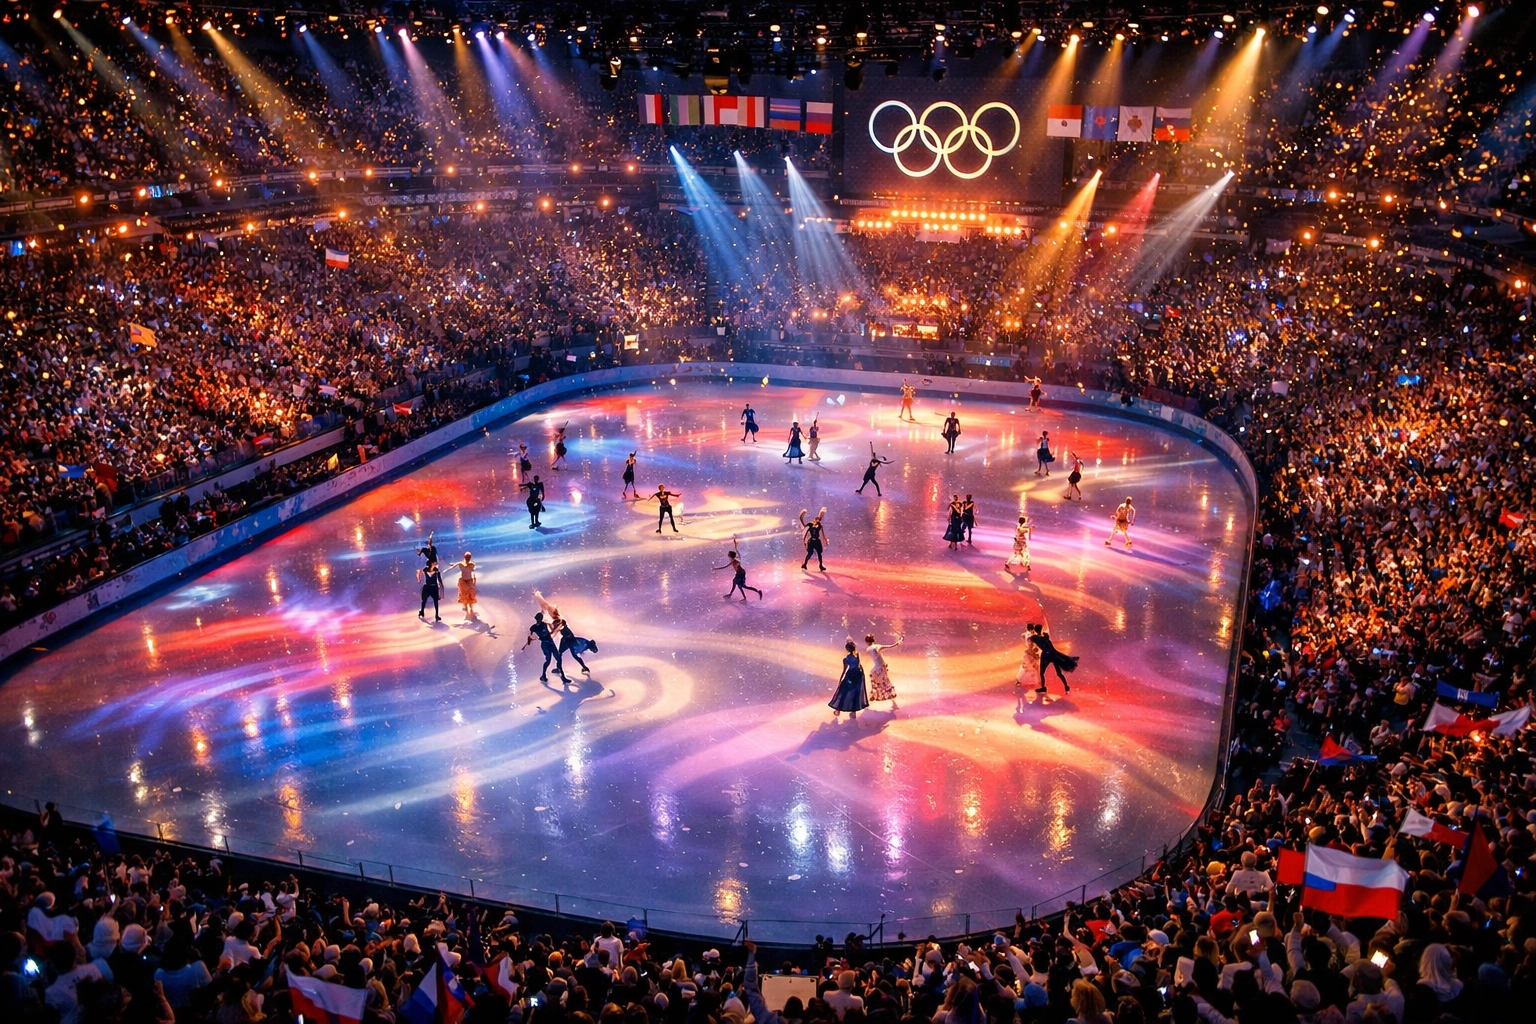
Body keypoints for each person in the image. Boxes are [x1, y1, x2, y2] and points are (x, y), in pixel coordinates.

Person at [1030, 623, 1078, 693]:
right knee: (1059, 673)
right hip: (1053, 654)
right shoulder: (1045, 638)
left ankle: (1043, 687)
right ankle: (1066, 686)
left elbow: (1034, 640)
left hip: (1046, 656)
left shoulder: (1036, 638)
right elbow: (1051, 647)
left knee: (1042, 673)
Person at [828, 639, 868, 723]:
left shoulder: (846, 659)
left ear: (847, 649)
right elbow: (859, 665)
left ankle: (838, 710)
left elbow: (844, 670)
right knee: (855, 693)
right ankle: (853, 712)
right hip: (858, 675)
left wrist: (840, 680)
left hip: (850, 676)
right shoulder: (857, 654)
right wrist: (862, 673)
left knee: (843, 692)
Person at [522, 611, 568, 683]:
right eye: (539, 618)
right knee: (548, 661)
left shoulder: (542, 624)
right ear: (537, 619)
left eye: (540, 618)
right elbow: (530, 636)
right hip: (546, 644)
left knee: (558, 658)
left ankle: (562, 676)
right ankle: (544, 675)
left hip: (550, 643)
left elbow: (548, 630)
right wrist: (533, 639)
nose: (540, 620)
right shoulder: (533, 627)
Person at [865, 633, 902, 708]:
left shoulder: (869, 648)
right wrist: (898, 642)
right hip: (882, 666)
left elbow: (873, 653)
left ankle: (874, 695)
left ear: (868, 642)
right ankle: (880, 696)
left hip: (879, 667)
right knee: (885, 681)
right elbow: (890, 646)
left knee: (879, 681)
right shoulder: (877, 646)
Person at [1016, 627, 1042, 709]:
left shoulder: (1033, 640)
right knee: (1029, 669)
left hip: (1032, 658)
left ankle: (1037, 691)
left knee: (1033, 670)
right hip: (1030, 657)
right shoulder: (1029, 637)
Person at [449, 553, 478, 619]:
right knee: (464, 595)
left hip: (469, 581)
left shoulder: (472, 565)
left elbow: (473, 573)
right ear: (464, 557)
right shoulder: (461, 564)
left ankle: (471, 609)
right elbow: (454, 566)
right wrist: (451, 566)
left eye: (469, 558)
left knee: (470, 595)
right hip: (463, 581)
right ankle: (466, 610)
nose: (468, 559)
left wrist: (474, 581)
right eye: (466, 557)